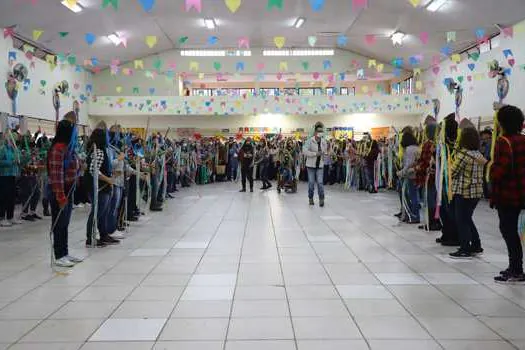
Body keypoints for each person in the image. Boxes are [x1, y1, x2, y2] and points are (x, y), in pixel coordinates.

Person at [490, 105, 525, 283]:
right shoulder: (522, 140)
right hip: (520, 192)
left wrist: (488, 168)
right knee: (513, 231)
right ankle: (515, 267)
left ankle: (516, 269)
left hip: (507, 194)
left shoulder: (503, 141)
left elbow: (500, 170)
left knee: (508, 231)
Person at [47, 115, 83, 267]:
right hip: (59, 192)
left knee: (65, 224)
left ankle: (65, 252)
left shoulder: (70, 149)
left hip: (69, 190)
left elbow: (74, 168)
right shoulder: (57, 150)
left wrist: (80, 165)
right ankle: (58, 255)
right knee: (59, 223)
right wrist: (61, 197)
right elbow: (56, 176)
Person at [449, 127, 487, 259]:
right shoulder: (478, 154)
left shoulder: (463, 154)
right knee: (467, 219)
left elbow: (452, 172)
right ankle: (476, 245)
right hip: (476, 193)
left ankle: (465, 248)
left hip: (463, 192)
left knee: (462, 220)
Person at [85, 124, 118, 247]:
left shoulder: (101, 150)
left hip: (104, 187)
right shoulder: (98, 151)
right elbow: (94, 170)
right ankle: (90, 238)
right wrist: (108, 179)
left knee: (103, 213)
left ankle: (103, 235)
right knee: (96, 213)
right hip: (99, 187)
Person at [437, 113, 460, 246]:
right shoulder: (442, 146)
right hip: (442, 181)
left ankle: (454, 236)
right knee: (444, 210)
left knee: (451, 210)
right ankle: (446, 233)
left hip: (451, 183)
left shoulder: (455, 146)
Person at [415, 121, 441, 231]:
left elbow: (426, 161)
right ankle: (432, 221)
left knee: (430, 199)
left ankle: (432, 222)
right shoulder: (435, 144)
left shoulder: (431, 144)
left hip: (430, 177)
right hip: (432, 176)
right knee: (431, 199)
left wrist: (419, 167)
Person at [397, 132, 420, 223]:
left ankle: (414, 216)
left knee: (412, 196)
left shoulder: (409, 150)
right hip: (415, 175)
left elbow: (408, 165)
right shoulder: (416, 148)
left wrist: (401, 173)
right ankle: (410, 215)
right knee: (414, 196)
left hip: (410, 176)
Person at [0, 130, 21, 227]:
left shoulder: (14, 149)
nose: (14, 142)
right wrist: (11, 162)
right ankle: (2, 217)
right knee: (4, 196)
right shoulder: (2, 149)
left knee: (11, 197)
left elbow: (18, 161)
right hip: (4, 176)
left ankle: (10, 216)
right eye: (13, 139)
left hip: (12, 175)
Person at [304, 122, 328, 207]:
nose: (320, 133)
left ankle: (321, 199)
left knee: (320, 183)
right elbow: (305, 151)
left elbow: (325, 151)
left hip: (320, 166)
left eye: (321, 131)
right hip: (310, 166)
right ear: (315, 132)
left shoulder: (324, 141)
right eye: (318, 131)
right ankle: (310, 198)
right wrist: (315, 154)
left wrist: (325, 153)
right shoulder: (309, 141)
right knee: (311, 183)